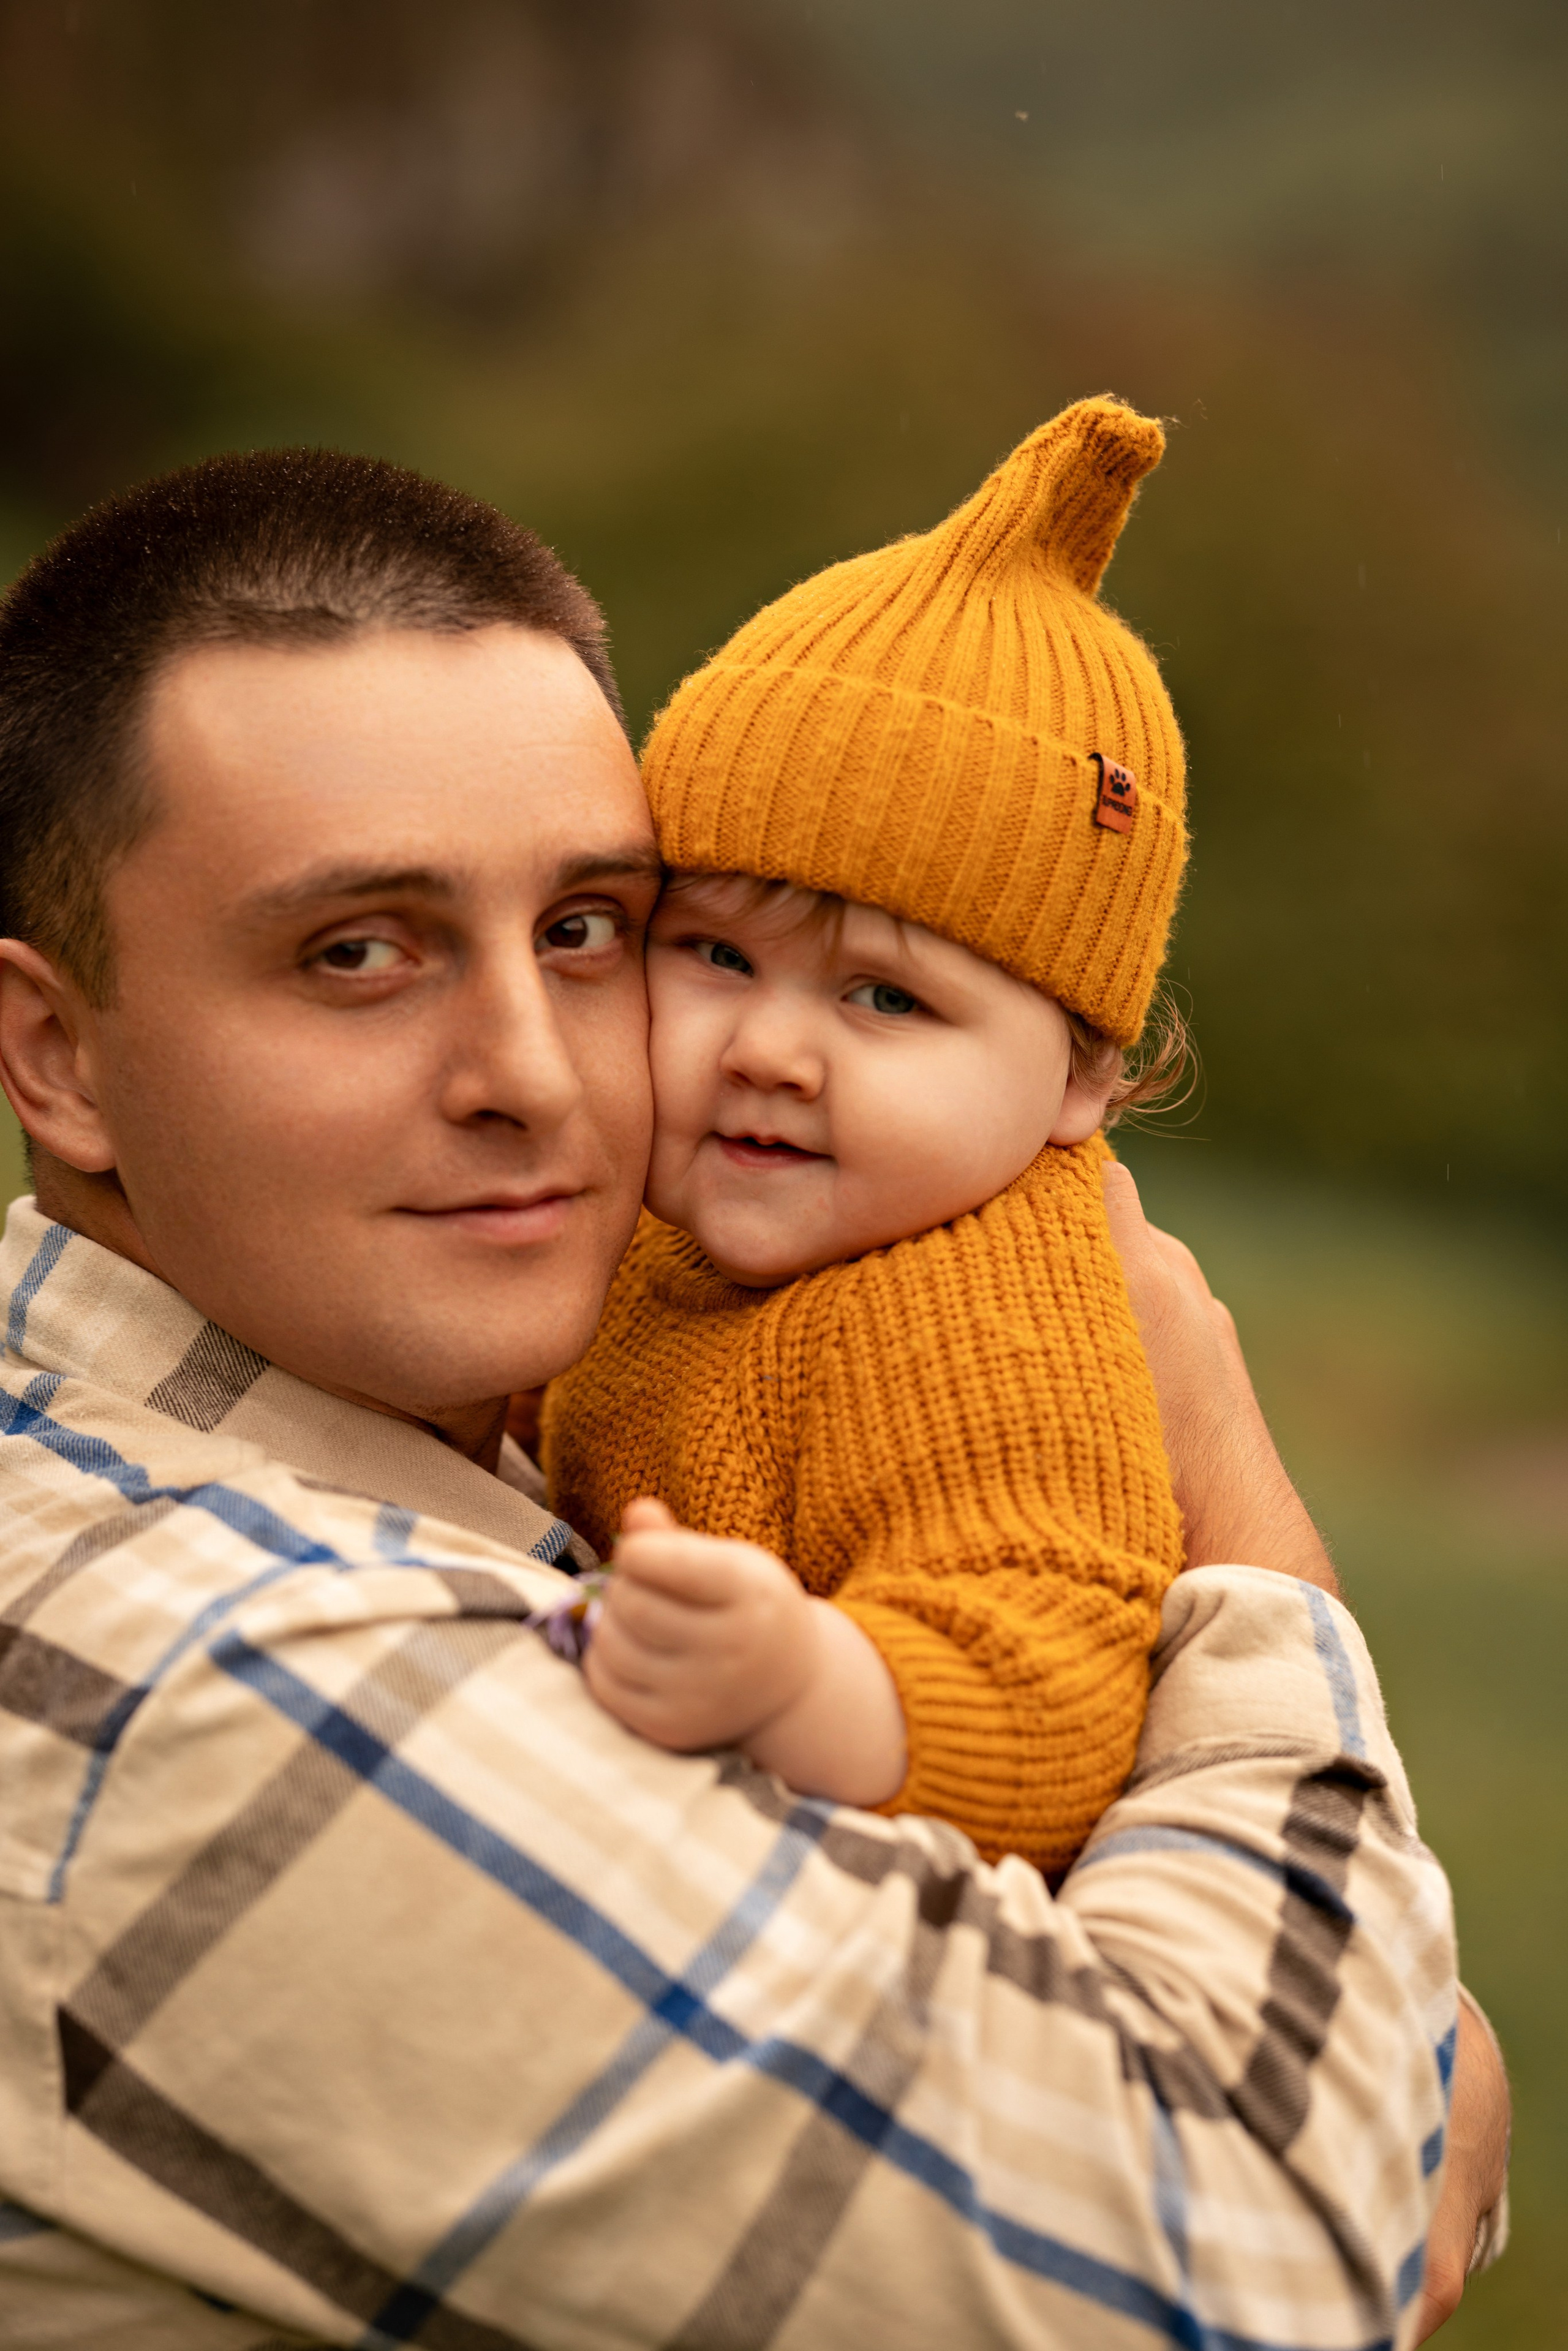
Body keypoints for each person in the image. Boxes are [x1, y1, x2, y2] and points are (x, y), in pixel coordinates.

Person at [0, 448, 1504, 2348]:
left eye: (587, 926)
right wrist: (1230, 1489)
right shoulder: (215, 1673)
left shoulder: (432, 1455)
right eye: (358, 951)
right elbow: (1257, 2263)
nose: (536, 1076)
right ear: (54, 1055)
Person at [545, 398, 1191, 1877]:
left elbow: (1055, 1678)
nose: (769, 1048)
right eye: (712, 954)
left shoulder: (981, 1316)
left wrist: (808, 1679)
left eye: (886, 995)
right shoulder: (678, 1217)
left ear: (1081, 1078)